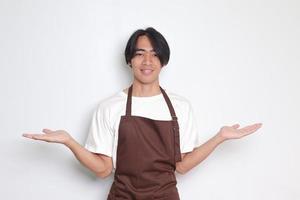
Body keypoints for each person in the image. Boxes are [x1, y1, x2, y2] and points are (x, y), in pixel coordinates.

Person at [23, 27, 262, 200]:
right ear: (129, 59)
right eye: (139, 53)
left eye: (155, 54)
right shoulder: (110, 107)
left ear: (163, 61)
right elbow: (103, 170)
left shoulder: (179, 107)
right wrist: (69, 142)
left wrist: (219, 137)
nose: (147, 60)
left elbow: (183, 165)